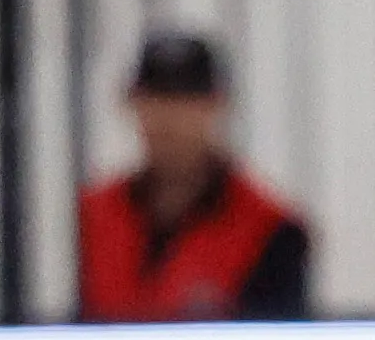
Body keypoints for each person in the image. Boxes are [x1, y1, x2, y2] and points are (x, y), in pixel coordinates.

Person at [75, 31, 309, 321]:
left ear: (218, 105)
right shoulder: (92, 217)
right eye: (155, 98)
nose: (169, 117)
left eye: (186, 100)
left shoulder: (270, 228)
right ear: (131, 103)